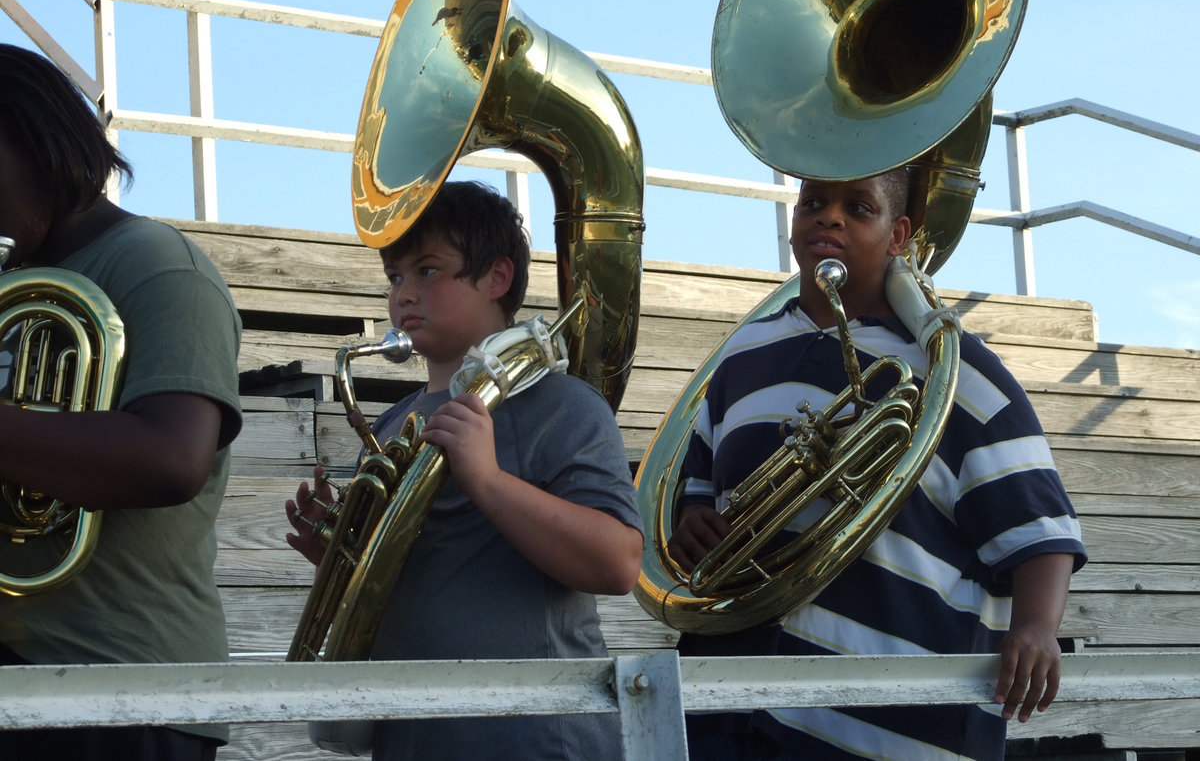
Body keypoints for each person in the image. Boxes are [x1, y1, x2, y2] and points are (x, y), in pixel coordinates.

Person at [668, 168, 1086, 761]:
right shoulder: (741, 351)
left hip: (884, 722)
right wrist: (692, 523)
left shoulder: (955, 369)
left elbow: (1037, 522)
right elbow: (699, 484)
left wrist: (1037, 626)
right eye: (812, 202)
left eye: (858, 208)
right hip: (726, 701)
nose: (828, 217)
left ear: (900, 235)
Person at [285, 180, 644, 761]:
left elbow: (619, 562)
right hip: (413, 737)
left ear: (496, 278)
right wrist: (341, 556)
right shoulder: (390, 426)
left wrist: (488, 481)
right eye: (394, 277)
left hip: (539, 738)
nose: (403, 294)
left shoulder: (562, 405)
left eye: (428, 271)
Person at [0, 44, 243, 759]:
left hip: (127, 690)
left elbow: (171, 460)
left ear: (35, 139)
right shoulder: (17, 279)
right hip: (24, 681)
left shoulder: (159, 264)